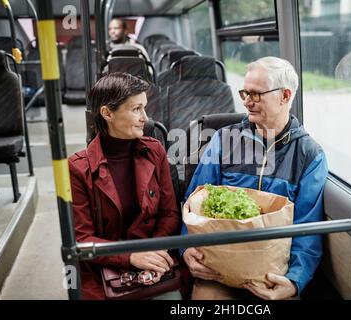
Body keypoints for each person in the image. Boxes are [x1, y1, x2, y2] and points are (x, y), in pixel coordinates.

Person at [181, 57, 328, 300]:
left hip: (272, 275)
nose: (247, 102)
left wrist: (293, 282)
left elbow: (308, 229)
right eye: (245, 93)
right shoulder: (223, 139)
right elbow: (192, 203)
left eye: (256, 94)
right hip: (218, 271)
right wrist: (186, 249)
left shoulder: (310, 156)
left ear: (284, 96)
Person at [69, 72, 180, 300]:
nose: (145, 118)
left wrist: (155, 251)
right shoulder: (77, 168)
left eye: (145, 108)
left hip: (152, 255)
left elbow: (169, 213)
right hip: (101, 263)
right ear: (108, 113)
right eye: (136, 109)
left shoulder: (155, 150)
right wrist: (130, 256)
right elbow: (82, 239)